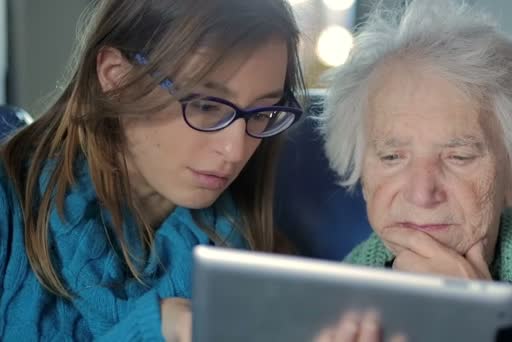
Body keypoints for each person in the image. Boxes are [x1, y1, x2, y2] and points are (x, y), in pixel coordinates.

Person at [0, 0, 306, 340]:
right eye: (205, 105)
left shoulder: (264, 256)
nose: (235, 150)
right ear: (116, 77)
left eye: (262, 112)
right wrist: (152, 331)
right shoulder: (8, 211)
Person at [317, 0, 512, 340]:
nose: (421, 192)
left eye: (459, 156)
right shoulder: (339, 291)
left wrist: (479, 322)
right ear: (362, 175)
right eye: (392, 157)